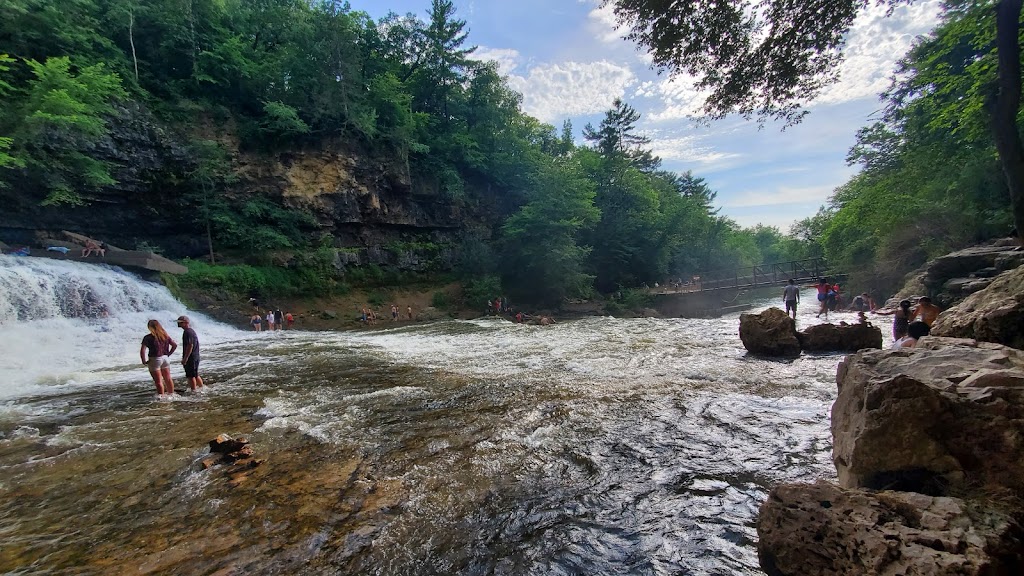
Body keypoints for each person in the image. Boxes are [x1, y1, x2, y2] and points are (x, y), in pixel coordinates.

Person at [140, 319, 177, 396]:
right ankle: (171, 394)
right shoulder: (165, 335)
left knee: (158, 381)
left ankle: (161, 397)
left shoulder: (148, 337)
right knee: (168, 378)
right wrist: (168, 354)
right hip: (165, 358)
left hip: (155, 359)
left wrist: (143, 360)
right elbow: (174, 345)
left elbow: (143, 350)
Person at [176, 315, 204, 392]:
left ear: (186, 323)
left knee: (190, 376)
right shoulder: (191, 331)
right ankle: (201, 388)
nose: (178, 324)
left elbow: (190, 345)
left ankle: (193, 391)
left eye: (180, 322)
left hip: (191, 357)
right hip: (195, 356)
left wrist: (185, 358)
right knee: (195, 374)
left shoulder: (187, 332)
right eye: (178, 322)